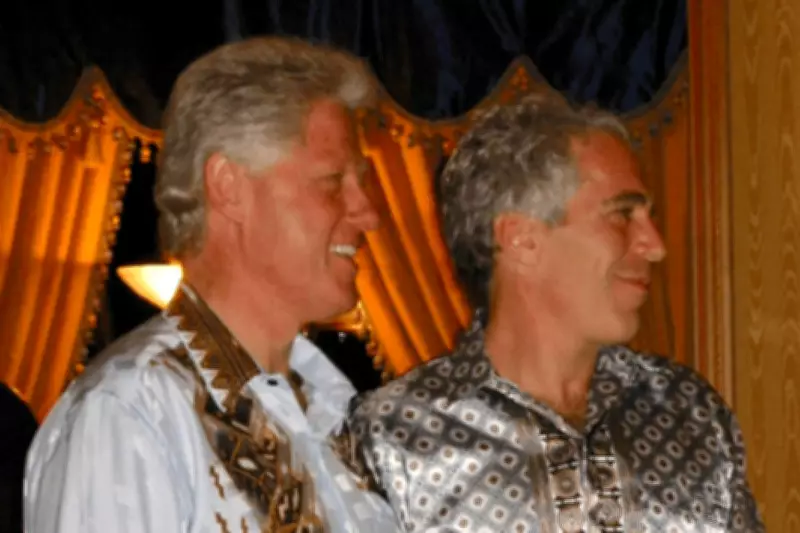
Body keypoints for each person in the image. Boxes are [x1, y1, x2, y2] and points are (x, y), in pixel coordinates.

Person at [24, 37, 398, 533]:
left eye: (360, 182)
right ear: (228, 187)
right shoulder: (132, 412)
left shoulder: (328, 410)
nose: (368, 213)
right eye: (332, 182)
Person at [347, 94, 764, 532]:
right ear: (522, 239)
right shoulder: (391, 435)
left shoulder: (689, 412)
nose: (655, 246)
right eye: (622, 215)